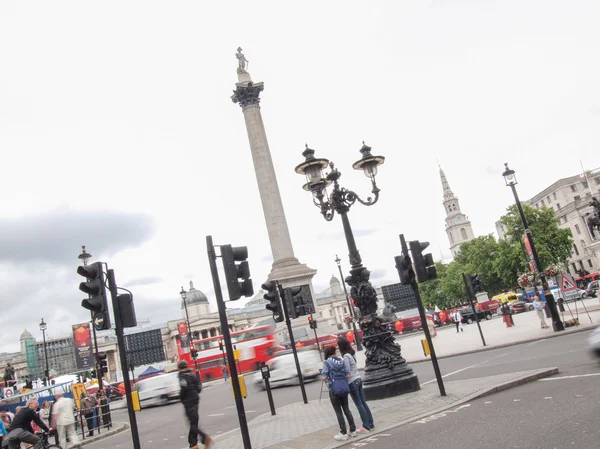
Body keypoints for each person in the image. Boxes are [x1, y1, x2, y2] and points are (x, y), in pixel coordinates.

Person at [338, 337, 374, 433]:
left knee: (359, 404)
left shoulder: (346, 356)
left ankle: (366, 426)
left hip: (352, 381)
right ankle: (371, 423)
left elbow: (347, 371)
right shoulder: (351, 353)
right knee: (363, 402)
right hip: (358, 378)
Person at [322, 345, 356, 441]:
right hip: (344, 388)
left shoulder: (327, 363)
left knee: (338, 412)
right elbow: (347, 375)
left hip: (334, 389)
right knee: (347, 409)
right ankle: (352, 430)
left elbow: (324, 376)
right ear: (334, 352)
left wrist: (327, 376)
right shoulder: (341, 361)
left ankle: (343, 432)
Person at [178, 360, 213, 449]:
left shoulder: (182, 375)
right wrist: (195, 393)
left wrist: (181, 397)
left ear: (179, 367)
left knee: (192, 423)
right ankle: (193, 444)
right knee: (194, 422)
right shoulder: (192, 374)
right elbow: (199, 387)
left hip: (188, 401)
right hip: (195, 400)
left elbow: (184, 387)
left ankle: (205, 438)